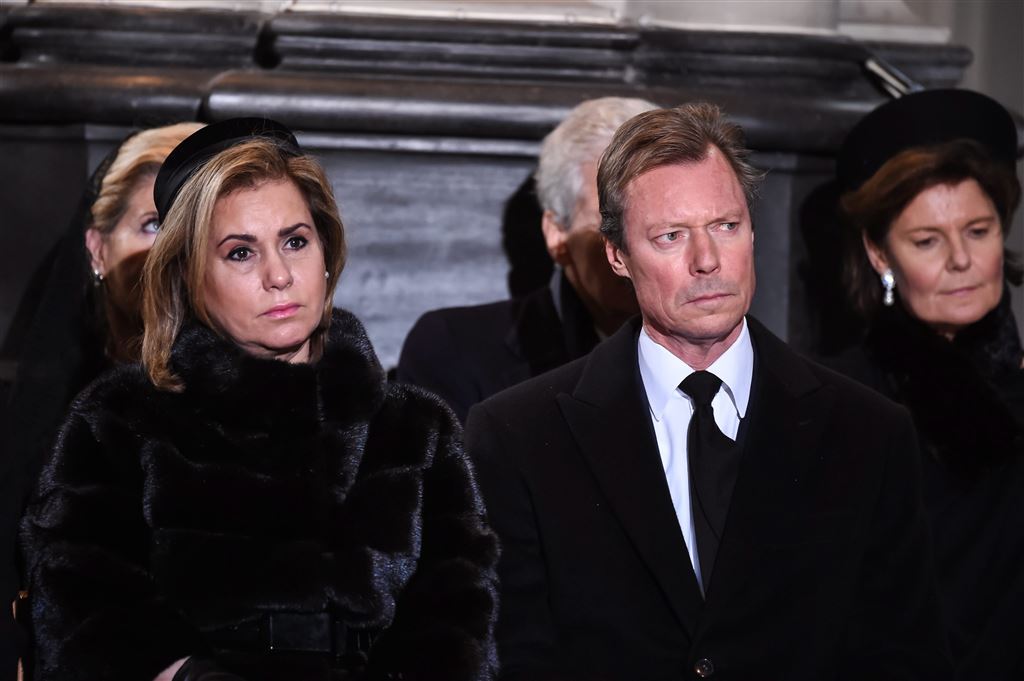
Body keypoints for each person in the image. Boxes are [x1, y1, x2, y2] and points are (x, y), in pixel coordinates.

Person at [465, 103, 951, 680]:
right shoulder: (518, 436)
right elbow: (509, 657)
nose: (707, 261)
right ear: (618, 255)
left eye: (725, 226)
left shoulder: (869, 432)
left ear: (752, 232)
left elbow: (904, 658)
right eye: (671, 236)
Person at [20, 118, 498, 681]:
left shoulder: (415, 429)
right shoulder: (119, 422)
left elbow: (458, 626)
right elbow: (84, 623)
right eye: (240, 252)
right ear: (188, 276)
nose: (279, 275)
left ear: (326, 251)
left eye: (295, 241)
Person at [832, 88, 1024, 680]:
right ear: (879, 254)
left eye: (978, 231)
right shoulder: (842, 404)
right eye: (927, 241)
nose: (960, 260)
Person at [0, 122, 202, 681]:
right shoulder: (43, 414)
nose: (170, 252)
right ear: (96, 247)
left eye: (193, 228)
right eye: (153, 224)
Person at [396, 97, 657, 422]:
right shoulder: (455, 350)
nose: (641, 249)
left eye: (665, 227)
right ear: (557, 233)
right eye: (611, 224)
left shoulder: (713, 346)